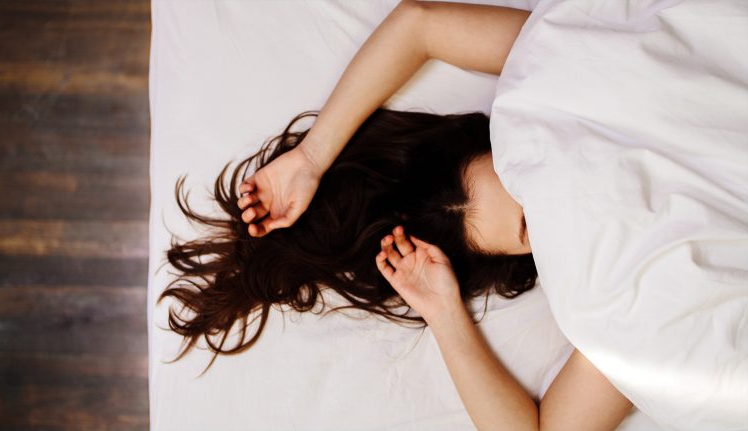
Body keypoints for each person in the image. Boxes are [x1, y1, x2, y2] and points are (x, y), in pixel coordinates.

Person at [164, 1, 634, 429]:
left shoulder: (574, 72)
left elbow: (419, 25)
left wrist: (312, 158)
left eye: (521, 176)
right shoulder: (624, 289)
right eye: (530, 225)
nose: (556, 195)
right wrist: (445, 314)